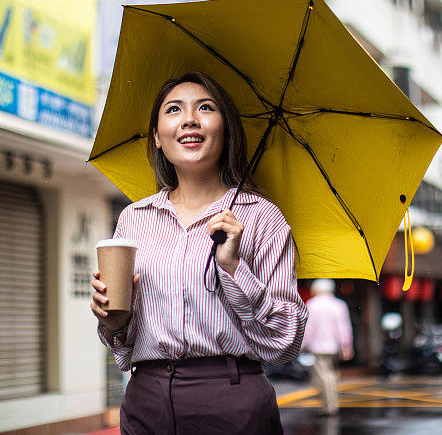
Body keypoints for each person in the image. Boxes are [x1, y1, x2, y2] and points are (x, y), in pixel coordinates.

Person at [90, 71, 308, 434]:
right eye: (174, 109)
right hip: (147, 398)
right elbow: (124, 345)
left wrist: (234, 267)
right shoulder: (134, 219)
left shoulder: (261, 217)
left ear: (225, 129)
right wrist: (113, 323)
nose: (190, 118)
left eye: (205, 108)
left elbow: (286, 342)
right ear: (158, 137)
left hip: (232, 402)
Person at [301, 279, 353, 416]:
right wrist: (346, 346)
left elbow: (308, 328)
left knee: (324, 376)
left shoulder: (312, 304)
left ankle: (329, 406)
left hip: (317, 347)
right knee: (331, 374)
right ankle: (331, 404)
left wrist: (303, 344)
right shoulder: (339, 305)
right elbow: (344, 327)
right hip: (334, 347)